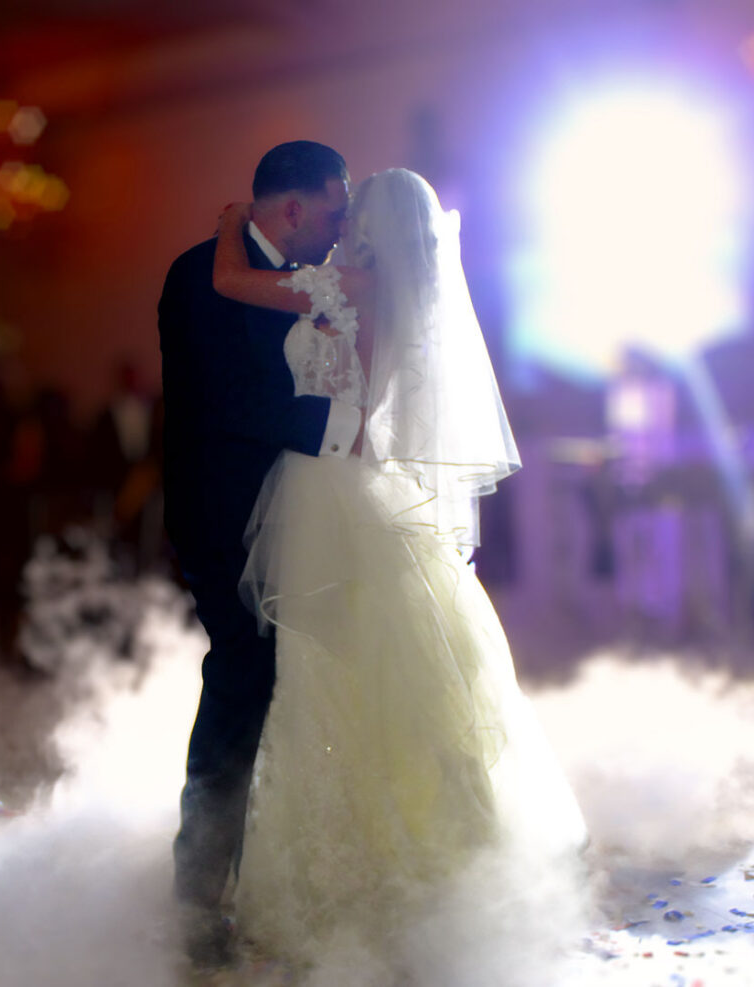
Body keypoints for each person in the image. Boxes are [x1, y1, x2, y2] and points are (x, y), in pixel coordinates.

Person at [211, 169, 586, 972]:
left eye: (354, 211)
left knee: (322, 681)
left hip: (325, 490)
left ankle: (347, 873)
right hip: (370, 489)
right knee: (390, 685)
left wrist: (227, 221)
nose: (343, 221)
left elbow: (232, 280)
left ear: (373, 228)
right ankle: (424, 865)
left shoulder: (345, 283)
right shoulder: (411, 303)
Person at [157, 140, 360, 965]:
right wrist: (358, 437)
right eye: (335, 212)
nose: (341, 229)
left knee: (298, 687)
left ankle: (280, 868)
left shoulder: (307, 279)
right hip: (226, 518)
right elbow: (238, 400)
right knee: (242, 683)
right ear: (294, 208)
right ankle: (197, 894)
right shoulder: (200, 273)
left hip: (303, 519)